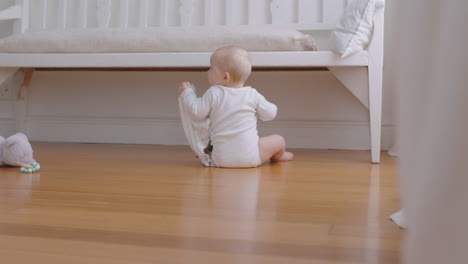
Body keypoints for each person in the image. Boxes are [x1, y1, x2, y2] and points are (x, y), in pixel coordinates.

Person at [178, 46, 293, 168]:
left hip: (220, 160)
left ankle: (210, 153)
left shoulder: (214, 92)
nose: (208, 71)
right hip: (251, 158)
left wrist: (187, 93)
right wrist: (266, 109)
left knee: (212, 141)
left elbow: (195, 112)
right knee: (279, 140)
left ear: (225, 77)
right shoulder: (252, 94)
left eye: (211, 68)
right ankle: (279, 156)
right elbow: (270, 114)